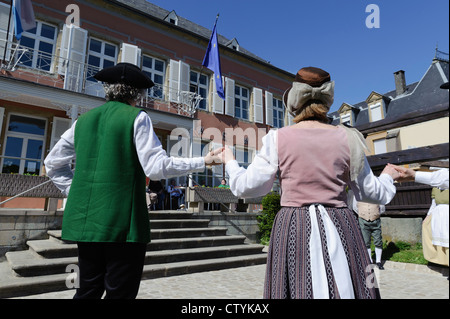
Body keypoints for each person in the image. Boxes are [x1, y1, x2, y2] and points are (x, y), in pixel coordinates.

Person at [218, 67, 399, 299]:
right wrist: (389, 176)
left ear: (294, 100)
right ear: (327, 101)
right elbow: (371, 193)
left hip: (294, 224)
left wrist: (231, 161)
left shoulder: (277, 137)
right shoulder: (349, 137)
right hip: (341, 223)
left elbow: (248, 187)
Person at [44, 63, 222, 299]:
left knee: (87, 290)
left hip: (86, 220)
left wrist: (75, 191)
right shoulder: (137, 117)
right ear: (137, 94)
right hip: (123, 221)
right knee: (121, 293)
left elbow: (53, 164)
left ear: (109, 89)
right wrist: (203, 161)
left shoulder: (82, 121)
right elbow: (156, 167)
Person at [391, 165, 449, 268]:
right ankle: (444, 263)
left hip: (447, 214)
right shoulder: (436, 188)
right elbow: (434, 203)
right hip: (438, 214)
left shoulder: (446, 183)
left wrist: (413, 175)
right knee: (441, 241)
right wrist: (428, 216)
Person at [352, 197, 386, 270]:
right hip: (363, 220)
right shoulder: (357, 195)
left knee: (378, 240)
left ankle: (378, 261)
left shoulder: (376, 194)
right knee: (366, 241)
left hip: (375, 220)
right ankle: (369, 261)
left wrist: (376, 214)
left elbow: (382, 208)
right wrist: (362, 214)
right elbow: (355, 207)